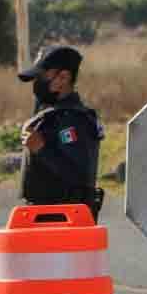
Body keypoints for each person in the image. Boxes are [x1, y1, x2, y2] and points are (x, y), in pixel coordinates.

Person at [17, 46, 105, 221]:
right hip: (44, 218)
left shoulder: (73, 119)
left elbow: (81, 177)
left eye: (42, 76)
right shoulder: (51, 114)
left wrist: (42, 149)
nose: (37, 83)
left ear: (63, 78)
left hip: (63, 222)